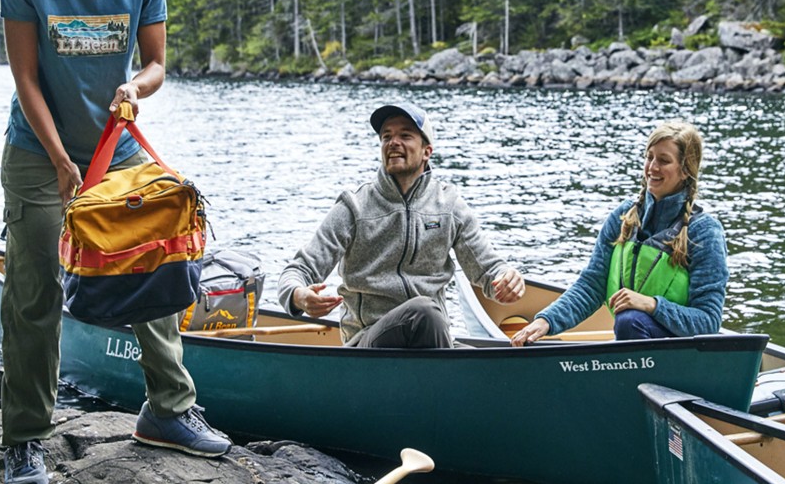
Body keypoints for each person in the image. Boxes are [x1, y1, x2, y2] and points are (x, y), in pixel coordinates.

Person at [0, 0, 227, 481]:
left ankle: (169, 411)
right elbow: (25, 79)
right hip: (38, 155)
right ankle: (24, 438)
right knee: (35, 292)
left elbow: (155, 64)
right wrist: (60, 159)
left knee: (151, 269)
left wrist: (134, 87)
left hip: (116, 153)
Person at [277, 103, 526, 348]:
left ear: (427, 151)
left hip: (433, 338)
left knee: (489, 367)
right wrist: (299, 296)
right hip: (367, 344)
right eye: (386, 136)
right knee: (424, 311)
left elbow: (489, 269)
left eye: (405, 135)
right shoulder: (354, 206)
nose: (393, 142)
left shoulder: (449, 205)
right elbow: (297, 271)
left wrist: (507, 280)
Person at [510, 120, 727, 346]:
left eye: (663, 161)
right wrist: (546, 321)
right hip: (631, 342)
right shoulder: (624, 217)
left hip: (677, 353)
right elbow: (592, 285)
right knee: (628, 321)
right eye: (649, 156)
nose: (652, 167)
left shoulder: (704, 231)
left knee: (629, 320)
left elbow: (708, 321)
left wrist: (652, 305)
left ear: (685, 170)